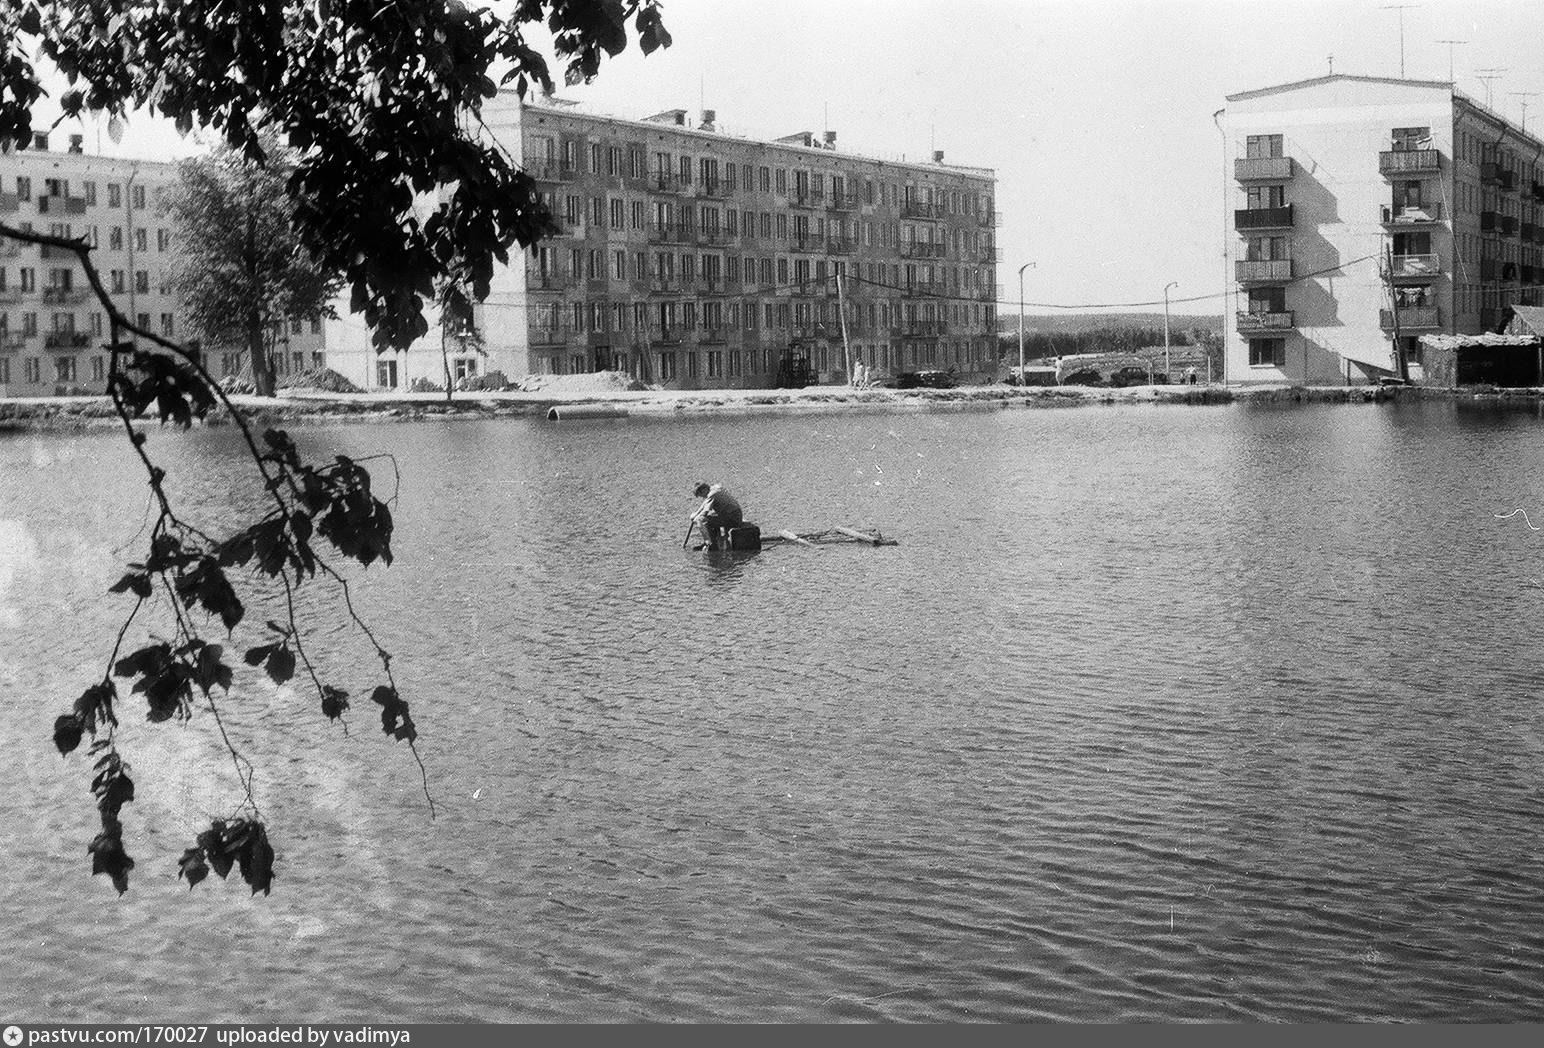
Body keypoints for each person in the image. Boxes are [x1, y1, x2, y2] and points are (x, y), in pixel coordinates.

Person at [691, 482, 743, 550]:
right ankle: (713, 542)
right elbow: (705, 503)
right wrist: (696, 513)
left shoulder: (712, 494)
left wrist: (696, 518)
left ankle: (711, 545)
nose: (702, 497)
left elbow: (705, 512)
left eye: (701, 495)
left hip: (733, 518)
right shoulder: (716, 487)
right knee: (710, 517)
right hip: (735, 515)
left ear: (704, 490)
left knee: (703, 522)